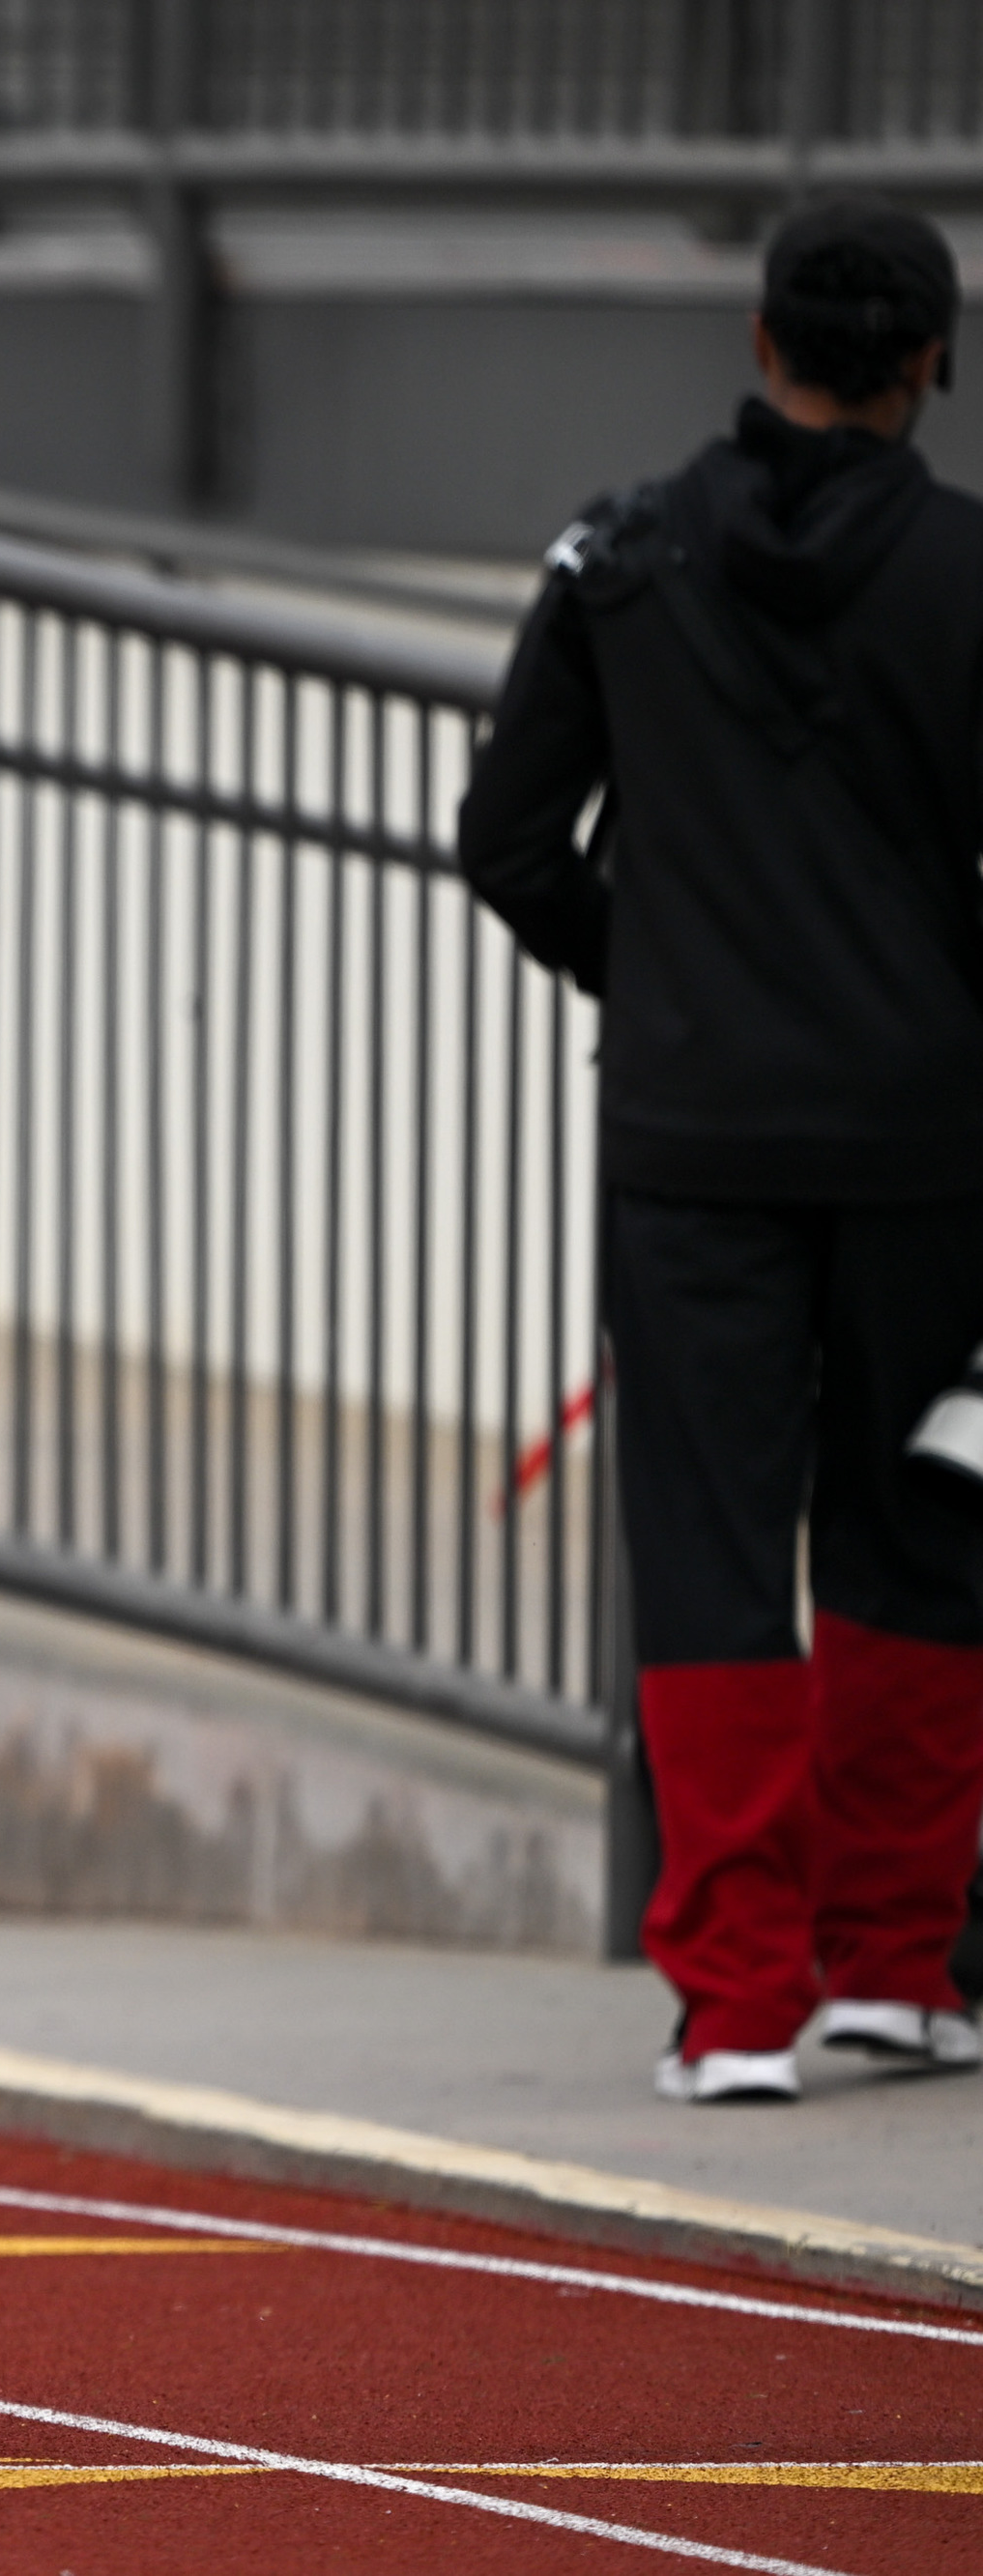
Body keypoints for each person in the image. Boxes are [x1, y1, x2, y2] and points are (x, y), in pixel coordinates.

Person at [457, 197, 983, 2103]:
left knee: (699, 1538)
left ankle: (735, 1998)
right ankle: (893, 1968)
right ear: (928, 359)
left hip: (687, 1130)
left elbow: (507, 839)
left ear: (758, 345)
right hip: (928, 1135)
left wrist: (656, 971)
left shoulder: (619, 552)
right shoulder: (963, 570)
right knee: (919, 1518)